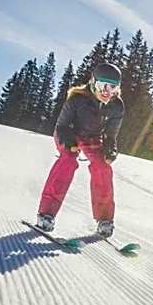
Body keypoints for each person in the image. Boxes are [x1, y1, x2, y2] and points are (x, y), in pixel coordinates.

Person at [35, 62, 124, 238]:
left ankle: (104, 219)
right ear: (93, 82)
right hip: (69, 133)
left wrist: (110, 151)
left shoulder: (116, 106)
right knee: (68, 160)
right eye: (102, 86)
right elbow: (61, 126)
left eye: (112, 88)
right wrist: (69, 143)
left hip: (92, 138)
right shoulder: (77, 99)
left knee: (103, 168)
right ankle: (46, 214)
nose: (107, 92)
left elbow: (111, 136)